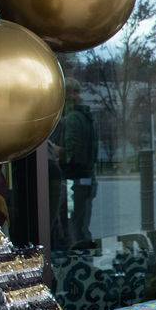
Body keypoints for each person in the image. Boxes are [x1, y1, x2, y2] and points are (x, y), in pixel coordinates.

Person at [57, 81, 99, 247]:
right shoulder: (87, 117)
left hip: (73, 182)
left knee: (72, 228)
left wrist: (55, 151)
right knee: (81, 226)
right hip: (86, 180)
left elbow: (71, 153)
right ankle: (84, 258)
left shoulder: (72, 119)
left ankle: (77, 259)